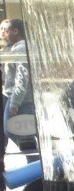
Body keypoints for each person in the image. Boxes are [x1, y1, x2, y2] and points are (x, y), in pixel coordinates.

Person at [4, 18, 35, 151]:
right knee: (25, 134)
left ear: (16, 31)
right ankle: (32, 159)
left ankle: (33, 159)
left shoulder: (20, 48)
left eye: (8, 30)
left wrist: (15, 103)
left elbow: (22, 77)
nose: (6, 34)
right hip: (26, 98)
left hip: (20, 99)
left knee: (11, 129)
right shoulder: (25, 46)